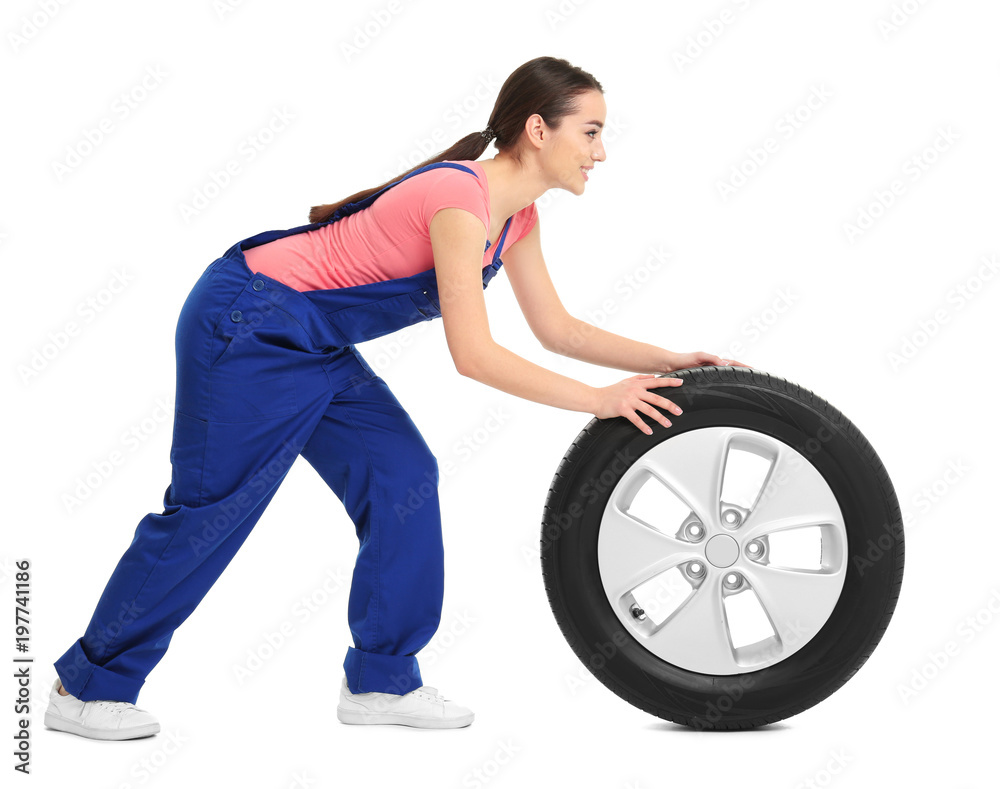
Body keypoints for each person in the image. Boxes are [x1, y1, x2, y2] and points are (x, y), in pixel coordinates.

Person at [45, 55, 749, 741]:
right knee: (213, 509)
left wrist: (667, 358)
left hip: (311, 339)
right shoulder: (460, 204)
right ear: (539, 130)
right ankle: (89, 686)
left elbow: (555, 328)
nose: (601, 151)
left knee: (401, 474)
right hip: (249, 323)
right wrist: (598, 400)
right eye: (590, 131)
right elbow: (473, 356)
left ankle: (381, 681)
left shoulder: (518, 218)